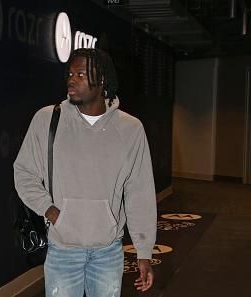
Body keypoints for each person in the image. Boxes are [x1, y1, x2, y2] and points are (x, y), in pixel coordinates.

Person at [14, 48, 157, 297]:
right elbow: (24, 171)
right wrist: (50, 210)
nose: (71, 80)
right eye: (70, 73)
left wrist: (144, 252)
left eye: (80, 74)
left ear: (101, 80)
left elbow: (139, 192)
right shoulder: (47, 119)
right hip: (63, 250)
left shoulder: (131, 129)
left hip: (108, 252)